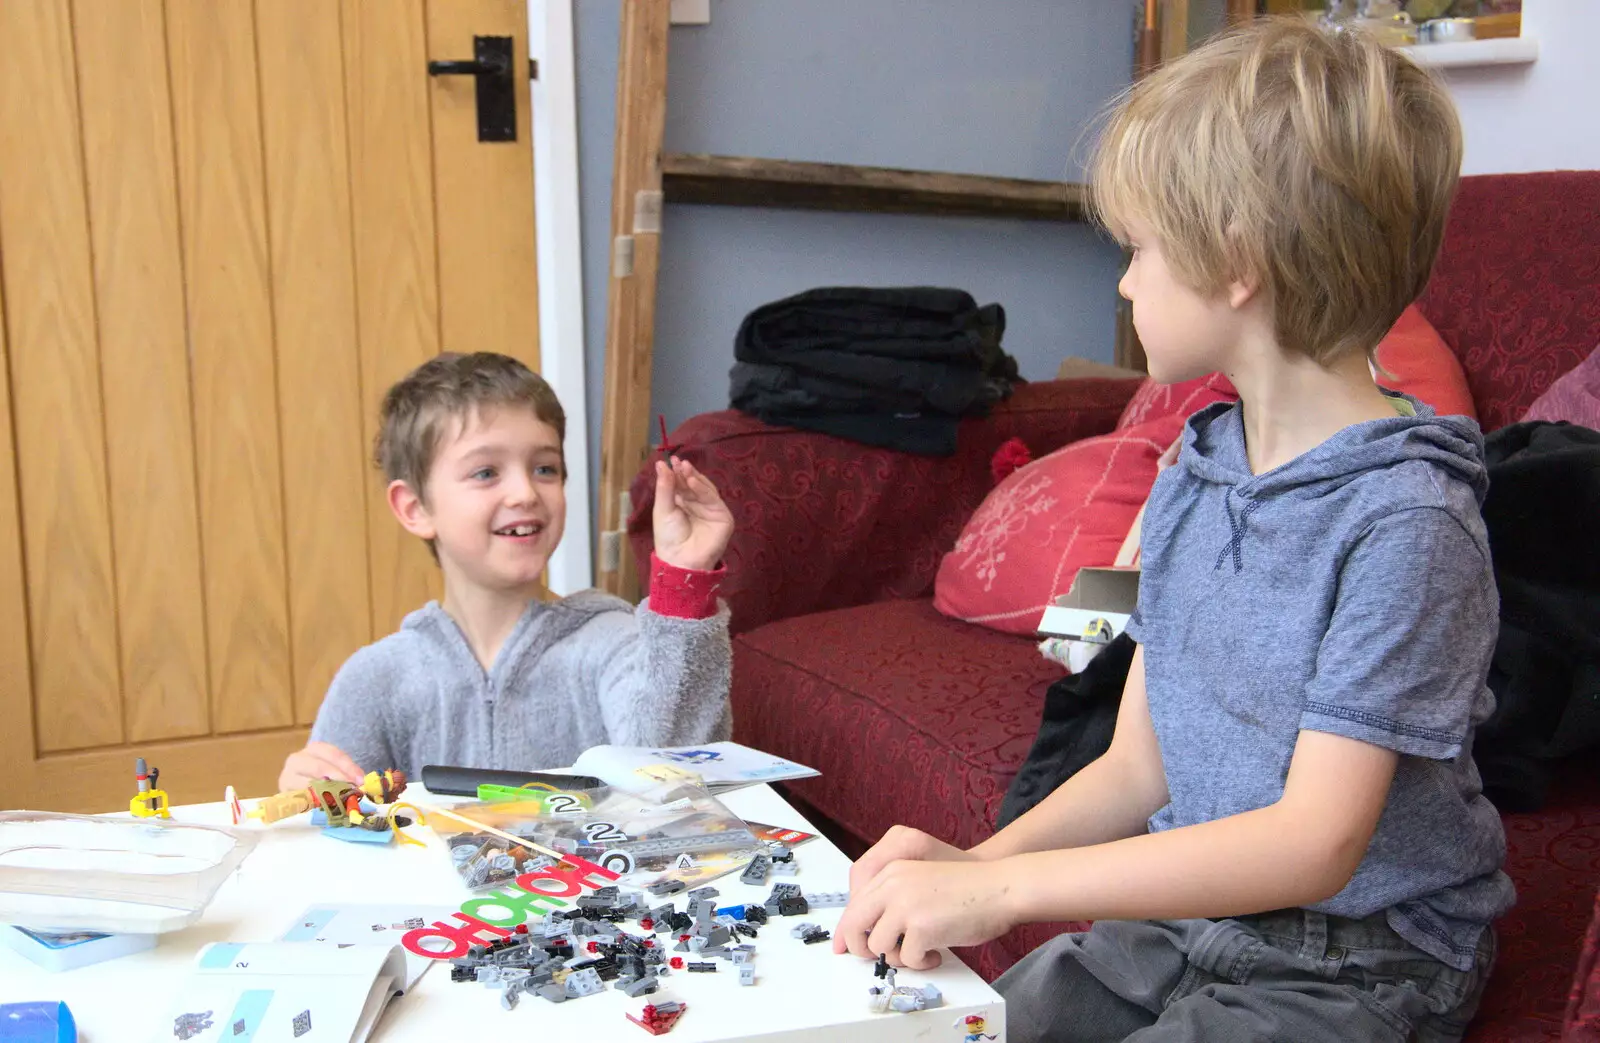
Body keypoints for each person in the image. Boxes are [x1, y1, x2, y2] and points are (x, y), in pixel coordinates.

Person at [834, 18, 1512, 1042]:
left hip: (1357, 965)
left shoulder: (1407, 522)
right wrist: (980, 865)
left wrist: (1004, 897)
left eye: (1140, 247)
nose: (1123, 280)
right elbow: (1138, 767)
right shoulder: (1198, 467)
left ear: (1234, 262)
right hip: (1187, 924)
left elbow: (1313, 844)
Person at [278, 351, 734, 789]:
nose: (525, 492)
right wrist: (308, 797)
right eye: (485, 473)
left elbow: (675, 779)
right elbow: (334, 835)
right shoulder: (376, 679)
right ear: (415, 508)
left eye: (545, 468)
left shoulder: (612, 642)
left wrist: (682, 584)